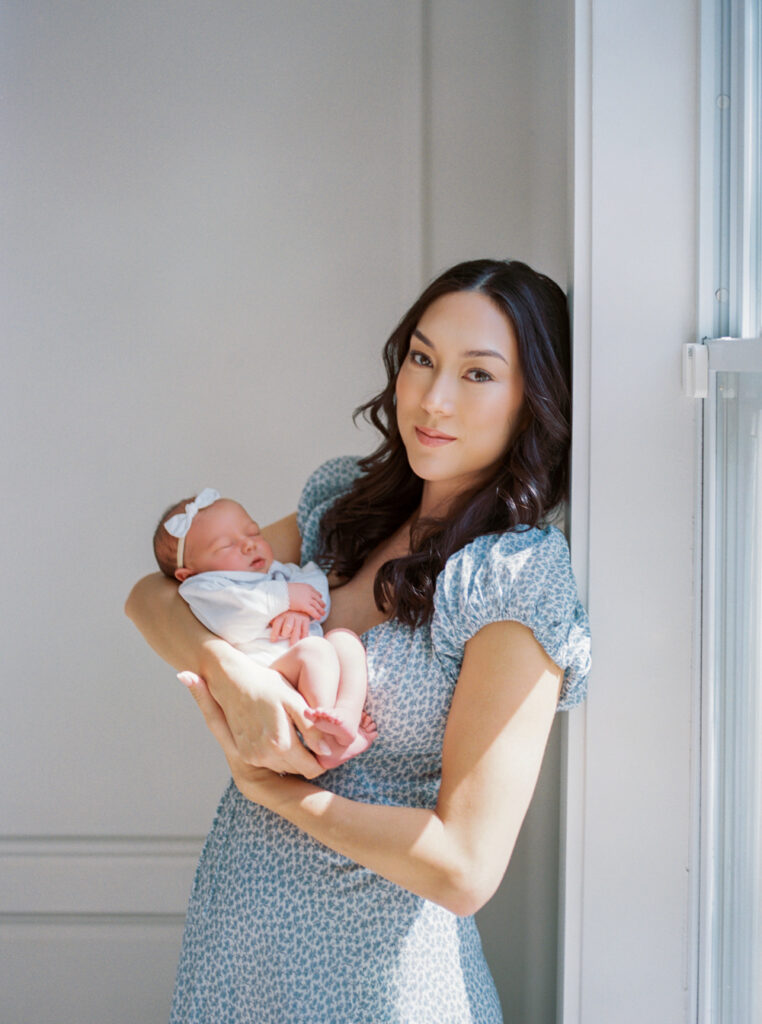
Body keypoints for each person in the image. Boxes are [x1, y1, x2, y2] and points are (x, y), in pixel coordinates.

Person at [126, 258, 591, 1024]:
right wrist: (232, 678)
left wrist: (283, 794)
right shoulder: (342, 504)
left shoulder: (512, 575)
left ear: (533, 401)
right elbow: (153, 595)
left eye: (478, 375)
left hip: (376, 986)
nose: (432, 399)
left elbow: (464, 867)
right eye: (421, 358)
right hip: (237, 951)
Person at [153, 488, 375, 770]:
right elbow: (232, 618)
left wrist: (299, 606)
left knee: (344, 640)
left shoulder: (280, 572)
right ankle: (323, 738)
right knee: (315, 650)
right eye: (225, 546)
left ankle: (346, 716)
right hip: (274, 677)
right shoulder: (204, 588)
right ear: (189, 573)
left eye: (253, 532)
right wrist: (284, 597)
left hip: (307, 664)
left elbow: (314, 581)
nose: (249, 545)